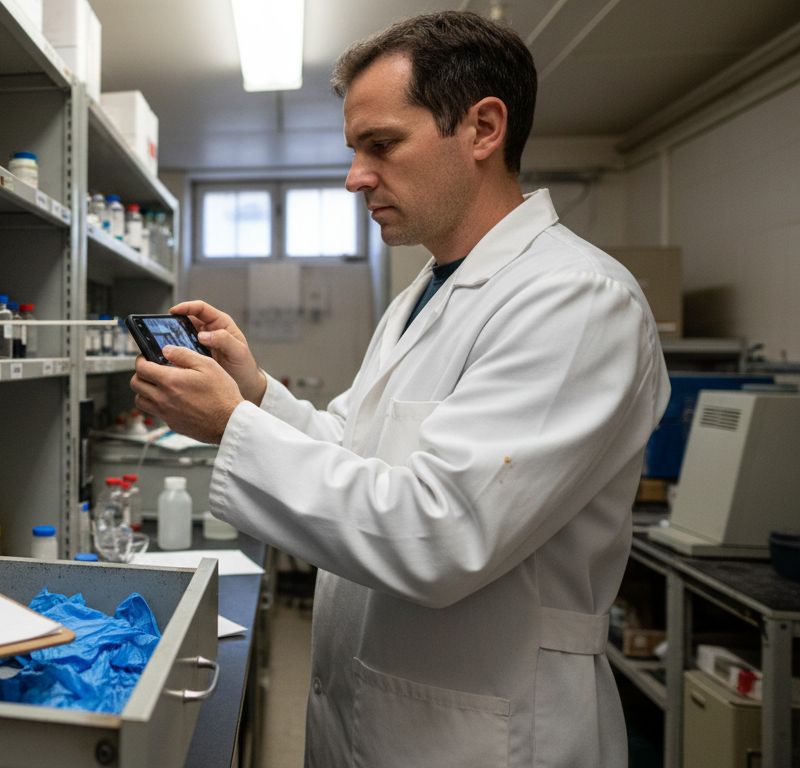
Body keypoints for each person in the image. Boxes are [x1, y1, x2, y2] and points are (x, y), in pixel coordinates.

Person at [130, 11, 669, 768]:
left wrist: (232, 429)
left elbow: (443, 532)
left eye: (381, 145)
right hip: (382, 718)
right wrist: (254, 395)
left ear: (483, 128)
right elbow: (359, 449)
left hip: (490, 735)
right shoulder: (426, 292)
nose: (355, 176)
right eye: (355, 149)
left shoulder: (576, 300)